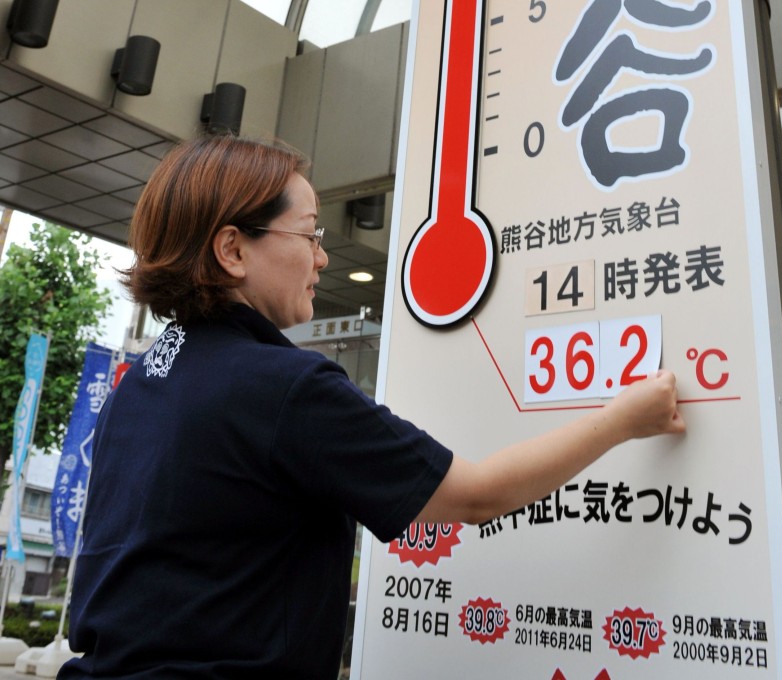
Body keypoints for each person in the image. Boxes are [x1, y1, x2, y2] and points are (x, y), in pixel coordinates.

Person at [59, 134, 685, 679]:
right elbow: (477, 494)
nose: (323, 257)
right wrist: (625, 418)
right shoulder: (281, 387)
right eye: (309, 234)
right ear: (233, 250)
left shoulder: (141, 380)